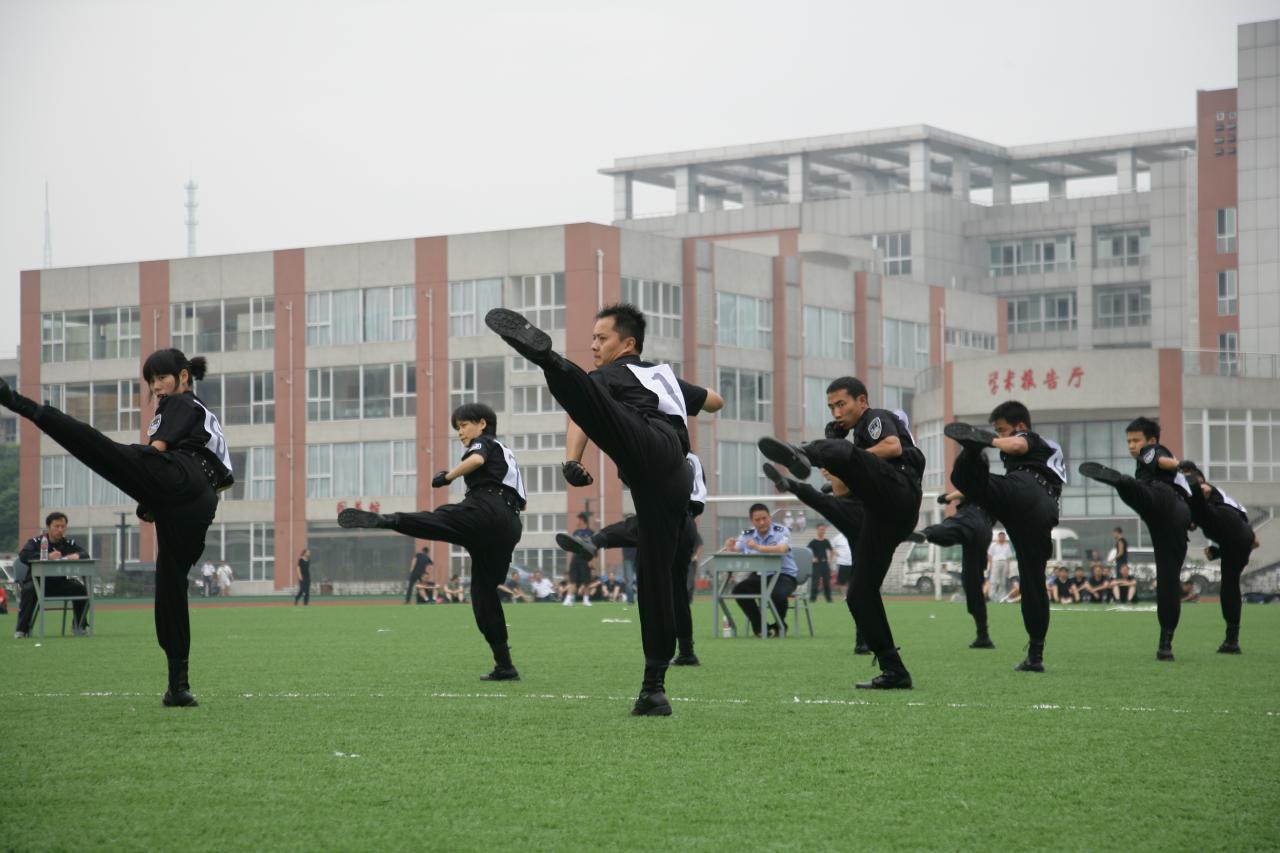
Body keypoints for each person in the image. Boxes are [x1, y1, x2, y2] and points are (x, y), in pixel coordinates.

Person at [486, 303, 723, 716]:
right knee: (655, 578)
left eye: (602, 338)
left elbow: (583, 414)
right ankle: (654, 690)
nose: (594, 345)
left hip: (649, 444)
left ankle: (549, 360)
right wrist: (684, 393)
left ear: (627, 344)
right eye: (592, 338)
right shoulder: (662, 375)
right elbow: (716, 401)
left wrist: (572, 460)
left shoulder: (610, 374)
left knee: (591, 396)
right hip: (673, 476)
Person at [1, 351, 231, 707]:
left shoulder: (179, 402)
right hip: (202, 503)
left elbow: (156, 451)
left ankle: (19, 402)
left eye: (162, 378)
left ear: (184, 376)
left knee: (102, 450)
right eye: (151, 381)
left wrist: (140, 480)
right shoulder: (202, 411)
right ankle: (178, 687)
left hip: (182, 477)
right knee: (171, 587)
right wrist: (154, 499)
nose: (157, 387)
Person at [338, 401, 526, 681]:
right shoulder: (508, 454)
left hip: (488, 509)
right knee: (483, 595)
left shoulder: (485, 442)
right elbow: (518, 497)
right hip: (510, 526)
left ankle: (388, 520)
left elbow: (476, 460)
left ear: (482, 424)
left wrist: (447, 477)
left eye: (463, 425)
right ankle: (505, 665)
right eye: (457, 428)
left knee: (440, 519)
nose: (460, 432)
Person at [759, 376, 924, 688]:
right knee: (859, 594)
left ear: (861, 401)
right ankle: (894, 671)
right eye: (831, 407)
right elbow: (842, 490)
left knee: (845, 452)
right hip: (879, 517)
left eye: (841, 404)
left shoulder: (876, 418)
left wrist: (838, 452)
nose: (836, 412)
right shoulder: (854, 446)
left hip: (900, 491)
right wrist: (837, 461)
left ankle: (802, 452)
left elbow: (892, 447)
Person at [557, 452, 710, 666]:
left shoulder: (671, 456)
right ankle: (687, 652)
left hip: (673, 517)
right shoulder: (688, 459)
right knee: (677, 593)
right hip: (684, 524)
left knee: (640, 526)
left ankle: (595, 541)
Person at [944, 401, 1065, 673]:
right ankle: (1035, 655)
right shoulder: (1046, 451)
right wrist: (952, 496)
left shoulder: (1031, 438)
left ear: (1020, 426)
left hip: (1026, 490)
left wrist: (986, 440)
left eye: (1001, 430)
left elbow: (1018, 445)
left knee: (968, 477)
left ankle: (972, 452)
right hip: (1040, 510)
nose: (999, 436)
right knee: (1032, 583)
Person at [1079, 416, 1191, 661]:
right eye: (1128, 441)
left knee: (1136, 491)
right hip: (1172, 520)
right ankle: (1165, 643)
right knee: (1168, 580)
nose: (1131, 445)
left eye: (1136, 440)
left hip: (1164, 499)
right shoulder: (1168, 472)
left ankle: (1122, 482)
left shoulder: (1152, 451)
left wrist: (1178, 463)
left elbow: (1160, 460)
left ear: (1151, 440)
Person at [764, 465, 871, 654]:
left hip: (864, 534)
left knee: (862, 594)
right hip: (859, 532)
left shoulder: (860, 495)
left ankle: (866, 642)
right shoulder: (849, 500)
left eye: (831, 474)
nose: (825, 474)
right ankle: (863, 642)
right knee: (861, 593)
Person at [1178, 460, 1259, 653]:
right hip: (1241, 536)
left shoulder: (1202, 487)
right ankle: (1232, 640)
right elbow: (1253, 541)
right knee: (1230, 584)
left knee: (1229, 586)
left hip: (1229, 525)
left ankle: (1232, 641)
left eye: (1186, 476)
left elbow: (1203, 490)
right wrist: (1221, 551)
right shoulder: (1217, 499)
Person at [908, 490, 996, 648]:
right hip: (985, 530)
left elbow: (967, 487)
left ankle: (926, 533)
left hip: (971, 517)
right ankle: (983, 636)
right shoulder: (1000, 488)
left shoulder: (980, 481)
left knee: (950, 527)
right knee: (973, 584)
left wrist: (946, 498)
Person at [721, 503, 798, 638]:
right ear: (752, 521)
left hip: (784, 575)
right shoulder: (747, 534)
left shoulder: (782, 531)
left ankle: (779, 625)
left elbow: (782, 549)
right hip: (760, 575)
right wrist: (730, 547)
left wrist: (758, 547)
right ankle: (760, 627)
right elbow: (736, 548)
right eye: (757, 520)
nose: (762, 522)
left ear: (770, 517)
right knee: (739, 590)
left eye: (764, 518)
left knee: (777, 594)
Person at [14, 512, 91, 638]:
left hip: (59, 584)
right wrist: (47, 557)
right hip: (37, 583)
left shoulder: (68, 543)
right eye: (56, 526)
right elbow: (24, 555)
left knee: (80, 589)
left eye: (63, 527)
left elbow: (85, 554)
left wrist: (76, 555)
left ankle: (79, 626)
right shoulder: (36, 542)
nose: (60, 530)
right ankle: (22, 630)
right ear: (48, 527)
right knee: (29, 590)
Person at [564, 512, 596, 607]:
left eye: (578, 519)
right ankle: (568, 600)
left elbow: (594, 548)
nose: (577, 521)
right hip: (575, 559)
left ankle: (586, 600)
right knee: (572, 580)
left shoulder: (591, 533)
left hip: (586, 559)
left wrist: (591, 560)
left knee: (586, 582)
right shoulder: (576, 532)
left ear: (582, 520)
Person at [806, 523, 835, 603]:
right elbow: (807, 551)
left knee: (827, 582)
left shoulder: (826, 541)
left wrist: (830, 560)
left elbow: (832, 551)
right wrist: (812, 558)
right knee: (815, 582)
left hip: (825, 564)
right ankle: (812, 599)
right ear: (817, 530)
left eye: (823, 529)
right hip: (816, 565)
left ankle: (829, 599)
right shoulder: (813, 542)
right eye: (821, 529)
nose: (822, 531)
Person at [987, 531, 1013, 602]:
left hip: (1004, 562)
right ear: (998, 537)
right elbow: (989, 555)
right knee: (994, 580)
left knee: (1003, 581)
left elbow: (1009, 557)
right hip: (996, 562)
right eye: (1001, 536)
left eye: (1003, 537)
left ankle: (1001, 597)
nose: (1002, 538)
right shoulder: (993, 545)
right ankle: (992, 596)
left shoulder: (1007, 545)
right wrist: (991, 565)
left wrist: (1008, 568)